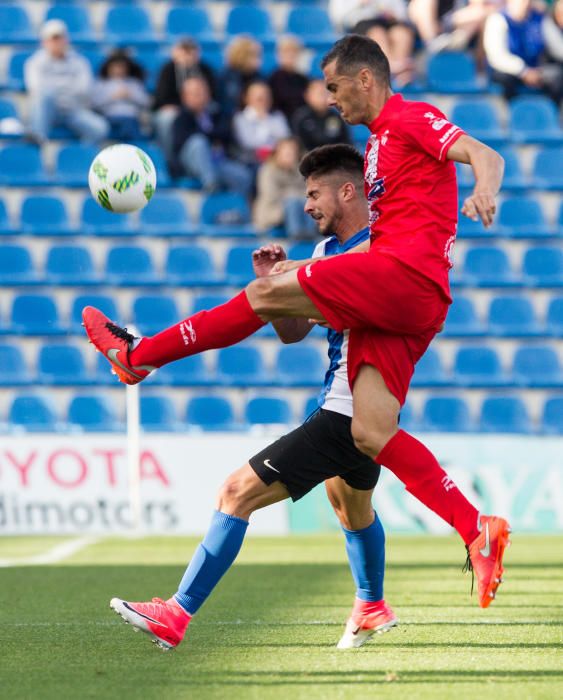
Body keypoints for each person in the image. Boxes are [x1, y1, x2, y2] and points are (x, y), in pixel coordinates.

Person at [83, 36, 511, 613]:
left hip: (402, 278)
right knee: (371, 432)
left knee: (263, 295)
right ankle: (475, 527)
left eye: (334, 87)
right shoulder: (380, 144)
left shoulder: (411, 118)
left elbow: (488, 154)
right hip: (407, 302)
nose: (329, 99)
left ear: (365, 79)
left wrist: (484, 189)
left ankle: (139, 357)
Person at [109, 150, 397, 650]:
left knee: (235, 494)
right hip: (363, 408)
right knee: (350, 506)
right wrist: (274, 285)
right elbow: (292, 332)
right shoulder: (330, 248)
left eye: (313, 193)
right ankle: (371, 604)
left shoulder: (375, 248)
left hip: (347, 409)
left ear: (347, 191)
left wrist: (285, 280)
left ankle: (176, 613)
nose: (305, 205)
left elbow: (348, 276)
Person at [24, 20, 108, 144]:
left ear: (66, 39)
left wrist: (55, 89)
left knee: (100, 128)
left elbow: (84, 89)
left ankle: (79, 154)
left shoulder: (79, 62)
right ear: (45, 42)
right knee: (45, 97)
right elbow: (37, 89)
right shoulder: (34, 62)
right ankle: (38, 139)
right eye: (53, 39)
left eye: (60, 38)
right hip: (48, 111)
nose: (57, 42)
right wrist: (64, 89)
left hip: (73, 110)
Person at [168, 76, 252, 196]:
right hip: (191, 164)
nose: (200, 95)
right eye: (195, 93)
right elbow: (181, 142)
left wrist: (207, 134)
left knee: (242, 176)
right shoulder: (181, 118)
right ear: (185, 97)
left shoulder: (217, 113)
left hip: (216, 162)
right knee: (198, 142)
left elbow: (226, 134)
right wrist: (210, 137)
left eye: (203, 91)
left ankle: (234, 209)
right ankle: (211, 184)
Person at [484, 0, 563, 104]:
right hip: (510, 70)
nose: (525, 4)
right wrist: (523, 71)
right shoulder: (497, 19)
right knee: (505, 79)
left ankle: (550, 114)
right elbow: (496, 56)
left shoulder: (539, 19)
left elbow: (556, 46)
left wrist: (534, 71)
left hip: (536, 69)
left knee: (556, 76)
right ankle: (512, 114)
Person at [152, 39, 217, 161]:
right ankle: (170, 159)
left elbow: (213, 94)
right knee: (166, 118)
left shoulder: (205, 70)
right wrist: (183, 106)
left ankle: (208, 156)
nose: (187, 57)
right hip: (177, 109)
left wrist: (199, 103)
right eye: (184, 52)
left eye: (191, 52)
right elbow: (161, 98)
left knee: (214, 111)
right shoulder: (168, 70)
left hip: (202, 107)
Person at [253, 137, 317, 239]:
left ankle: (311, 235)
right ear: (278, 153)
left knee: (309, 202)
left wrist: (295, 194)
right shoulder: (268, 170)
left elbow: (308, 191)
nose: (290, 155)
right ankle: (296, 235)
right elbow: (271, 195)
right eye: (287, 152)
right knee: (293, 202)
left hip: (299, 206)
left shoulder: (299, 170)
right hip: (273, 210)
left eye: (292, 152)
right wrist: (293, 194)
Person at [92, 50, 149, 141]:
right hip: (110, 119)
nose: (118, 70)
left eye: (122, 67)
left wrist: (131, 95)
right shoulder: (102, 83)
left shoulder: (134, 83)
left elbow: (146, 102)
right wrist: (112, 97)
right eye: (115, 67)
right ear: (108, 68)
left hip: (132, 118)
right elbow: (94, 104)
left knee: (130, 125)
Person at [233, 81, 291, 165]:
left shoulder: (278, 116)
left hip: (279, 161)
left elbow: (286, 139)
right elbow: (248, 144)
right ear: (246, 98)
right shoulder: (240, 118)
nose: (263, 99)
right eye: (259, 97)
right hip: (250, 162)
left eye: (267, 95)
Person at [408, 0, 498, 53]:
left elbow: (480, 8)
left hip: (456, 27)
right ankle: (432, 44)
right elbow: (414, 11)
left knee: (483, 14)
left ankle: (480, 69)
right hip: (427, 28)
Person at [292, 79, 351, 151]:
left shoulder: (336, 117)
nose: (323, 97)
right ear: (308, 96)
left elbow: (347, 144)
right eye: (319, 93)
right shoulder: (301, 117)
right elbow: (297, 145)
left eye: (325, 93)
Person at [219, 36, 263, 119]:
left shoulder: (260, 77)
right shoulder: (225, 76)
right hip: (230, 120)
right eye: (254, 55)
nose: (259, 60)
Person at [268, 35, 309, 120]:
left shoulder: (303, 79)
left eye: (294, 51)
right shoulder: (273, 79)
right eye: (286, 51)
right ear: (279, 54)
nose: (290, 55)